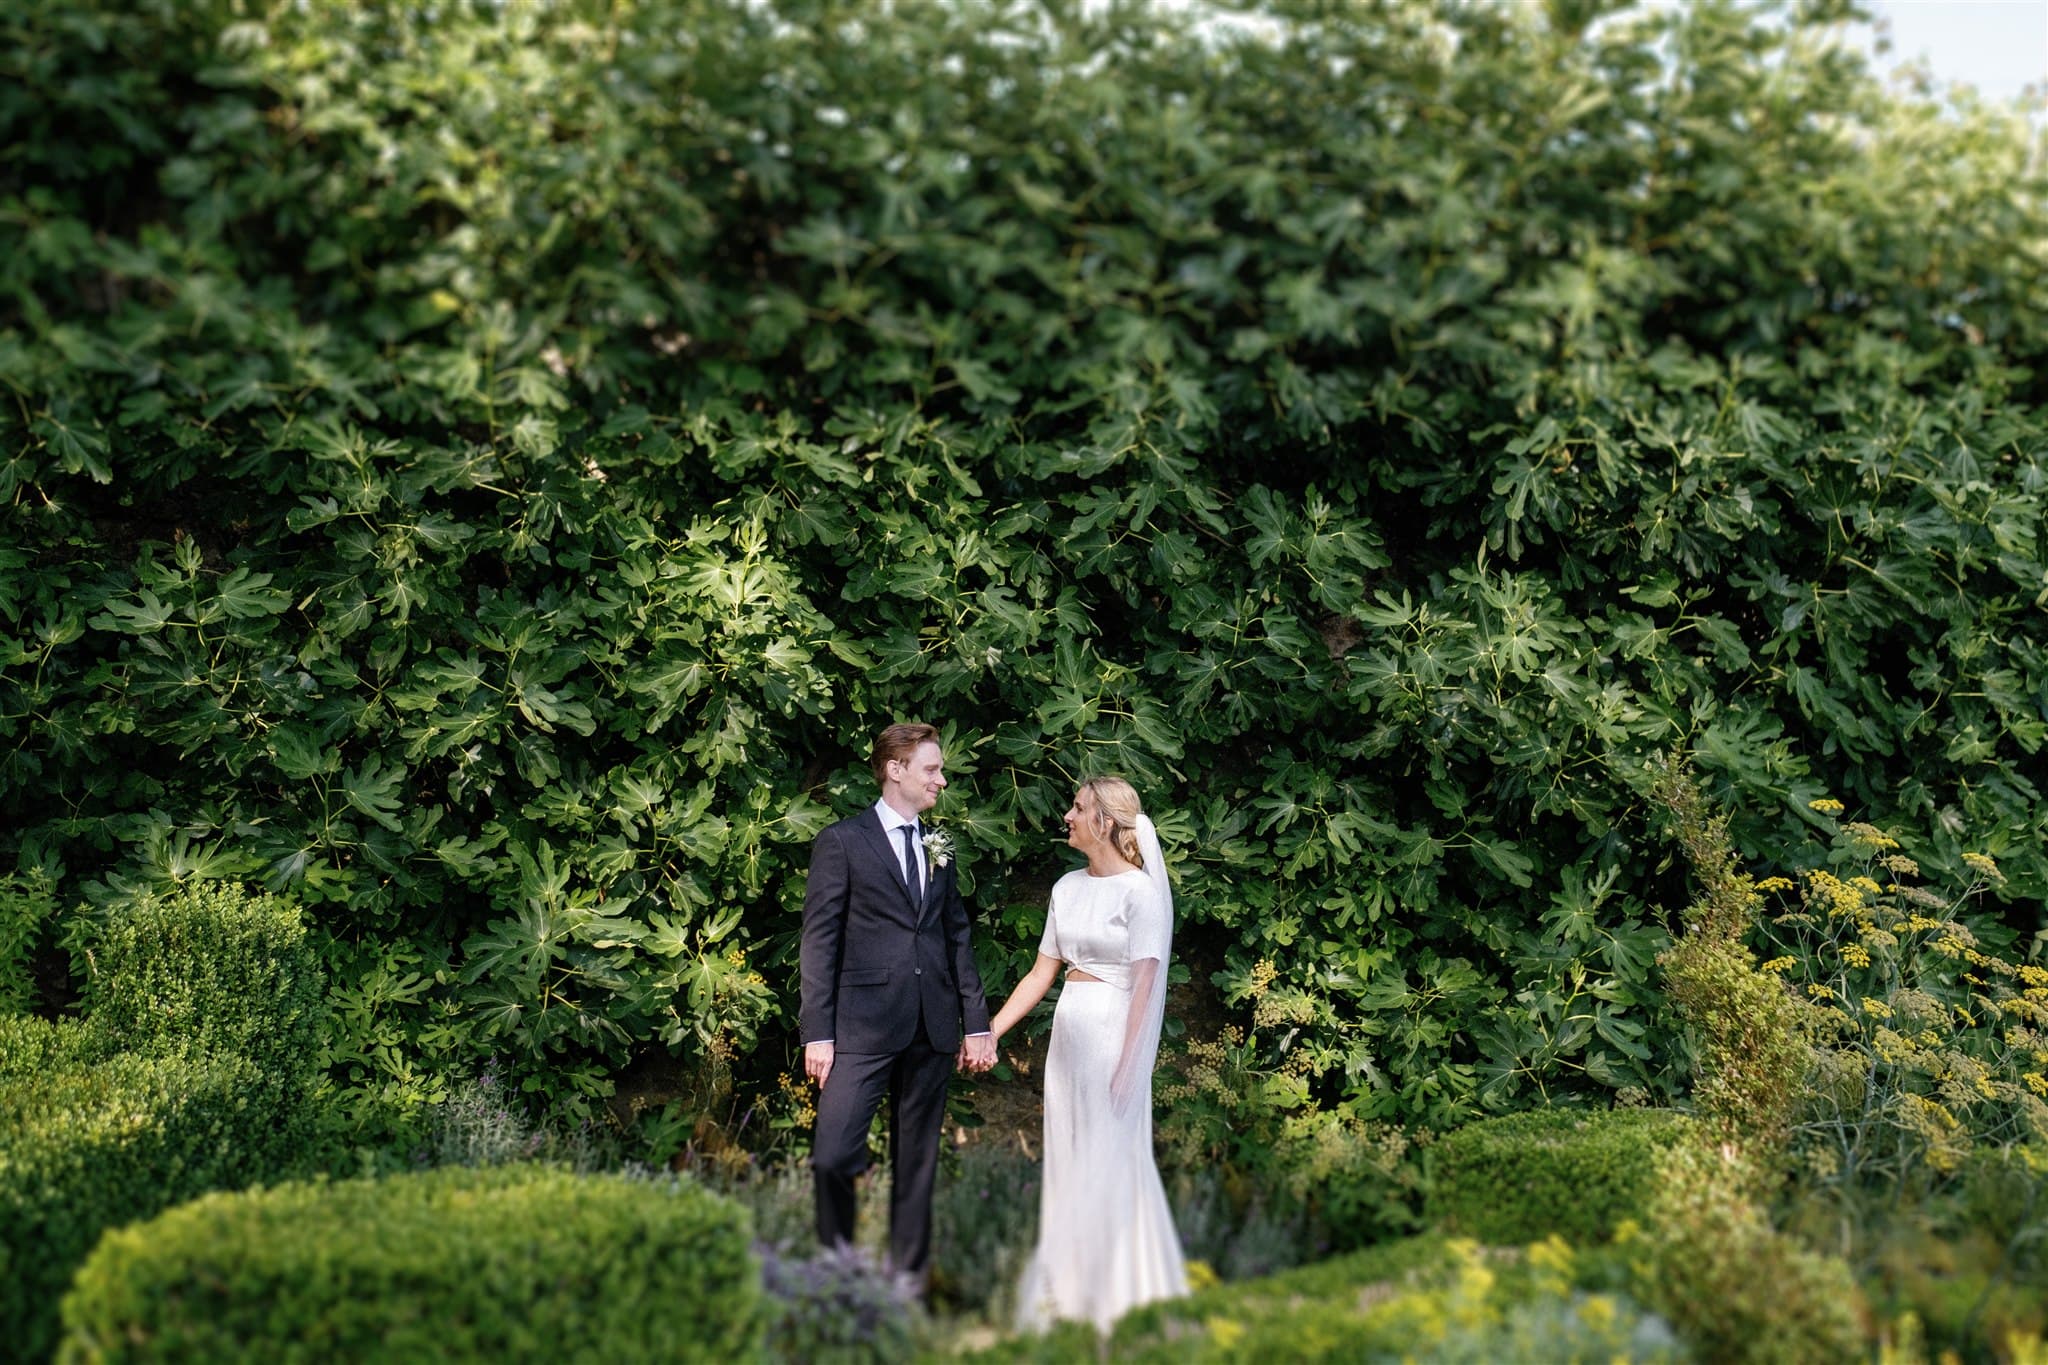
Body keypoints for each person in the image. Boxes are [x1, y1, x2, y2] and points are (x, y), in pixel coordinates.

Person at [987, 776, 1188, 1333]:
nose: (1068, 817)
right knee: (1072, 1157)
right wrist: (990, 1031)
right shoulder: (1067, 888)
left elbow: (1146, 989)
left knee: (1112, 1159)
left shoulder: (1140, 894)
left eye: (1078, 809)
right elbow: (1038, 974)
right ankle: (1071, 1295)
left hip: (1111, 1039)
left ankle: (1122, 1298)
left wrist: (1130, 1067)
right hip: (1069, 1043)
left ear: (1105, 822)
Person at [799, 722, 996, 1290]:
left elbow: (956, 934)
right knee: (833, 1155)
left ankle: (904, 1286)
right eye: (932, 769)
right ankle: (834, 1274)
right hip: (860, 1028)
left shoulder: (940, 844)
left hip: (931, 1026)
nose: (941, 778)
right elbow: (820, 941)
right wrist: (818, 1033)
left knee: (917, 1168)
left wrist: (975, 1023)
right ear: (896, 770)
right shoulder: (842, 842)